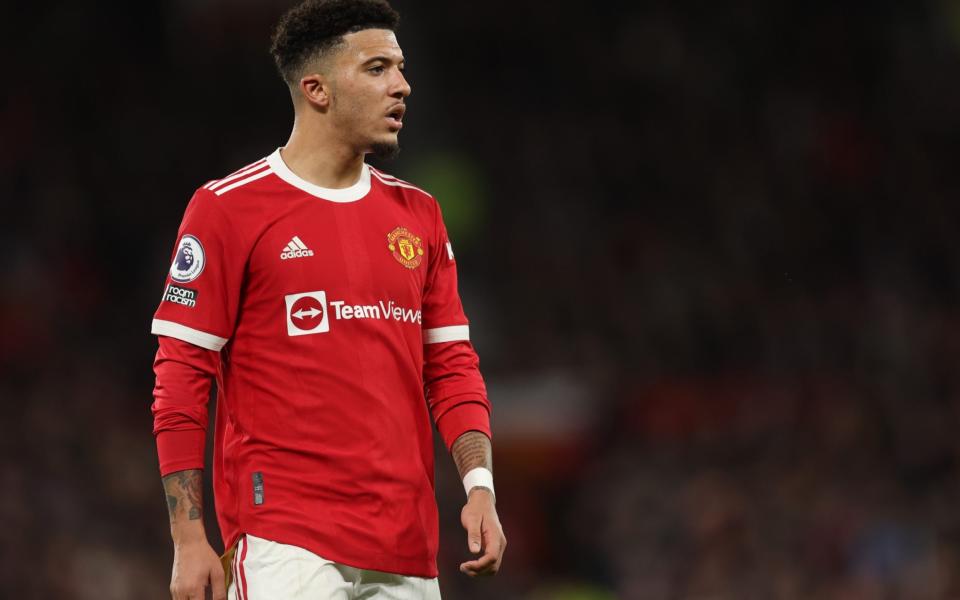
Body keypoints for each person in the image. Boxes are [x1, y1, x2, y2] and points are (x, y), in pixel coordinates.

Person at [149, 1, 505, 597]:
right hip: (285, 542)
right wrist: (189, 539)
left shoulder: (419, 216)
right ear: (316, 89)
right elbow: (181, 374)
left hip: (406, 545)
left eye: (401, 66)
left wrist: (481, 489)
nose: (402, 85)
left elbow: (451, 369)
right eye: (377, 68)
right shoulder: (228, 208)